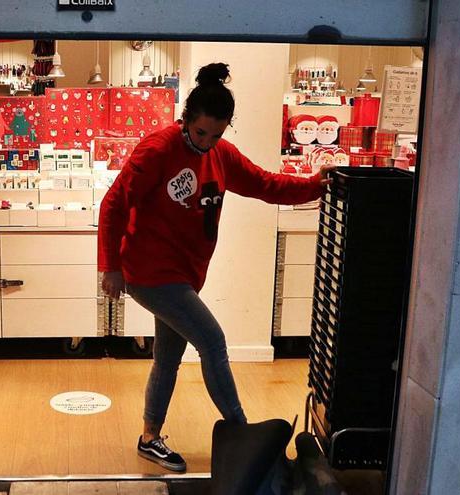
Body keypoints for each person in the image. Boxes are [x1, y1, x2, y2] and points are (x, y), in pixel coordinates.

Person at [97, 63, 333, 473]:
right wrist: (111, 266)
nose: (205, 143)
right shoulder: (157, 149)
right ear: (185, 118)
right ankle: (244, 437)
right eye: (199, 133)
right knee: (213, 340)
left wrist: (315, 184)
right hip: (150, 272)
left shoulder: (220, 155)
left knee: (168, 356)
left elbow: (265, 184)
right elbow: (114, 205)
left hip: (186, 273)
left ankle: (150, 436)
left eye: (216, 135)